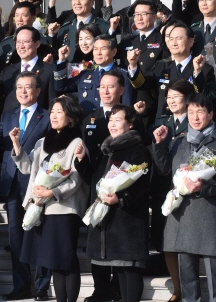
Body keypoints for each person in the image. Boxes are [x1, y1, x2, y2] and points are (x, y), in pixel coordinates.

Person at [152, 93, 216, 302]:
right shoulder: (179, 142)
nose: (195, 117)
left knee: (215, 275)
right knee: (188, 278)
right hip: (182, 214)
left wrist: (203, 187)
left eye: (200, 112)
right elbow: (165, 169)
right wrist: (160, 144)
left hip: (209, 213)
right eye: (191, 112)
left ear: (210, 114)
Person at [10, 96, 87, 302]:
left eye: (59, 112)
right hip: (42, 207)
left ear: (70, 117)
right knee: (53, 260)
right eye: (52, 111)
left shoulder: (76, 142)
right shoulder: (43, 141)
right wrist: (17, 146)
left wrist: (52, 193)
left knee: (66, 259)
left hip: (64, 208)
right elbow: (28, 168)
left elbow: (77, 178)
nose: (53, 116)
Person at [0, 72, 51, 300]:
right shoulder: (7, 115)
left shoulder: (48, 116)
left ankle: (42, 286)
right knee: (16, 238)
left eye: (28, 87)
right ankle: (21, 285)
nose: (23, 91)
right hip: (12, 183)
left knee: (40, 236)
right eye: (19, 87)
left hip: (36, 184)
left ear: (38, 90)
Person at [77, 104, 149, 302]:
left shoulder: (137, 150)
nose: (112, 124)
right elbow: (93, 181)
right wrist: (81, 161)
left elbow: (142, 182)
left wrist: (122, 198)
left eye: (118, 120)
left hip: (128, 222)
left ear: (130, 124)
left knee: (130, 270)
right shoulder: (106, 150)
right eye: (111, 120)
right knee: (119, 269)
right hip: (108, 222)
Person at [141, 79, 195, 302]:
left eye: (176, 97)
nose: (171, 101)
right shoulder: (162, 123)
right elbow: (161, 164)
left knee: (187, 242)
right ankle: (178, 289)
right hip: (165, 187)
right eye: (169, 97)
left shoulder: (195, 120)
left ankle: (189, 289)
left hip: (189, 188)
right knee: (167, 241)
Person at [78, 70, 127, 302]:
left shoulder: (130, 116)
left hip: (121, 185)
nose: (105, 91)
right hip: (95, 184)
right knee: (96, 237)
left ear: (121, 90)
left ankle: (117, 286)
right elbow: (85, 158)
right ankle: (100, 288)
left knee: (117, 237)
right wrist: (80, 161)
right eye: (101, 87)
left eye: (110, 86)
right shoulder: (89, 118)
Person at [131, 22, 216, 119]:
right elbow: (141, 84)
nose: (174, 43)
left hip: (189, 124)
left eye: (179, 38)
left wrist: (197, 73)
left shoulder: (204, 69)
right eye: (171, 39)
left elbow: (206, 99)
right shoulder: (161, 66)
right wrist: (133, 65)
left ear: (191, 42)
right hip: (163, 124)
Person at [55, 34, 135, 116]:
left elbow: (127, 106)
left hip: (110, 123)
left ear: (113, 51)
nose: (98, 53)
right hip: (86, 124)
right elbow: (60, 87)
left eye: (103, 49)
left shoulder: (124, 75)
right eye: (95, 49)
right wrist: (61, 60)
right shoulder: (85, 74)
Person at [0, 26, 56, 112]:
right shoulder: (9, 71)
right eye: (18, 42)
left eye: (26, 42)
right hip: (10, 123)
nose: (21, 46)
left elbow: (52, 104)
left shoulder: (49, 71)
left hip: (37, 123)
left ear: (37, 44)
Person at [0, 2, 53, 71]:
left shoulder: (42, 41)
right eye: (17, 15)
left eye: (24, 15)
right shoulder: (6, 42)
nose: (19, 19)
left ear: (33, 18)